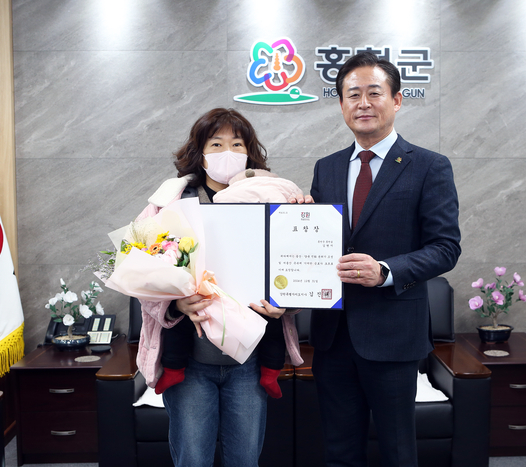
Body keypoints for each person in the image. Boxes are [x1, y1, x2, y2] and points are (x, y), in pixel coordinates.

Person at [307, 52, 461, 466]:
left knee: (397, 451)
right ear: (341, 104)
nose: (363, 103)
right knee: (339, 451)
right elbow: (319, 240)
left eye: (374, 93)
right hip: (333, 335)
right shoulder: (326, 168)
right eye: (352, 94)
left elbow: (446, 247)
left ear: (396, 100)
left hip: (393, 335)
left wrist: (386, 271)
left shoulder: (429, 166)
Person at [136, 108, 302, 467]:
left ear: (249, 152)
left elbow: (299, 268)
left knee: (245, 459)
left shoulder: (276, 201)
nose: (228, 152)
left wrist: (286, 302)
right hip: (190, 363)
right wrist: (175, 306)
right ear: (199, 152)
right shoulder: (169, 205)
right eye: (216, 144)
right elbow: (140, 276)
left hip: (250, 363)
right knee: (192, 460)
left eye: (237, 144)